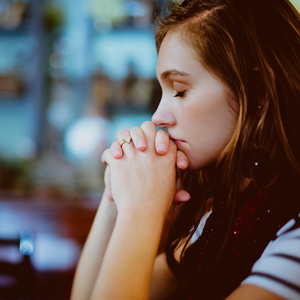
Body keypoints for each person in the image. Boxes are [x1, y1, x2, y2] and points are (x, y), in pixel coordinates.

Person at [70, 0, 300, 299]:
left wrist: (142, 211)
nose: (157, 117)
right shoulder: (225, 218)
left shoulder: (292, 236)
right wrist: (117, 194)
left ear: (256, 90)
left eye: (179, 90)